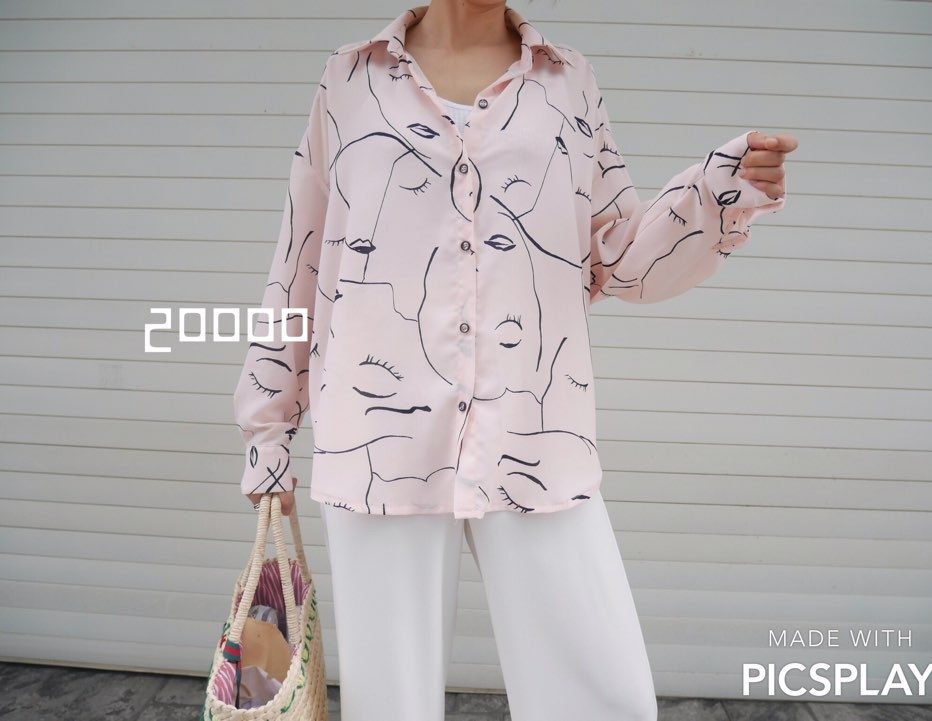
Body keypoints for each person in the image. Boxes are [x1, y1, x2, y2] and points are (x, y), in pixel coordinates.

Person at [234, 2, 797, 719]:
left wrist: (718, 196)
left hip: (536, 432)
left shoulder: (568, 82)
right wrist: (268, 427)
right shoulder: (349, 80)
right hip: (379, 440)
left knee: (606, 694)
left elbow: (621, 258)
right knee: (391, 704)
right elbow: (301, 259)